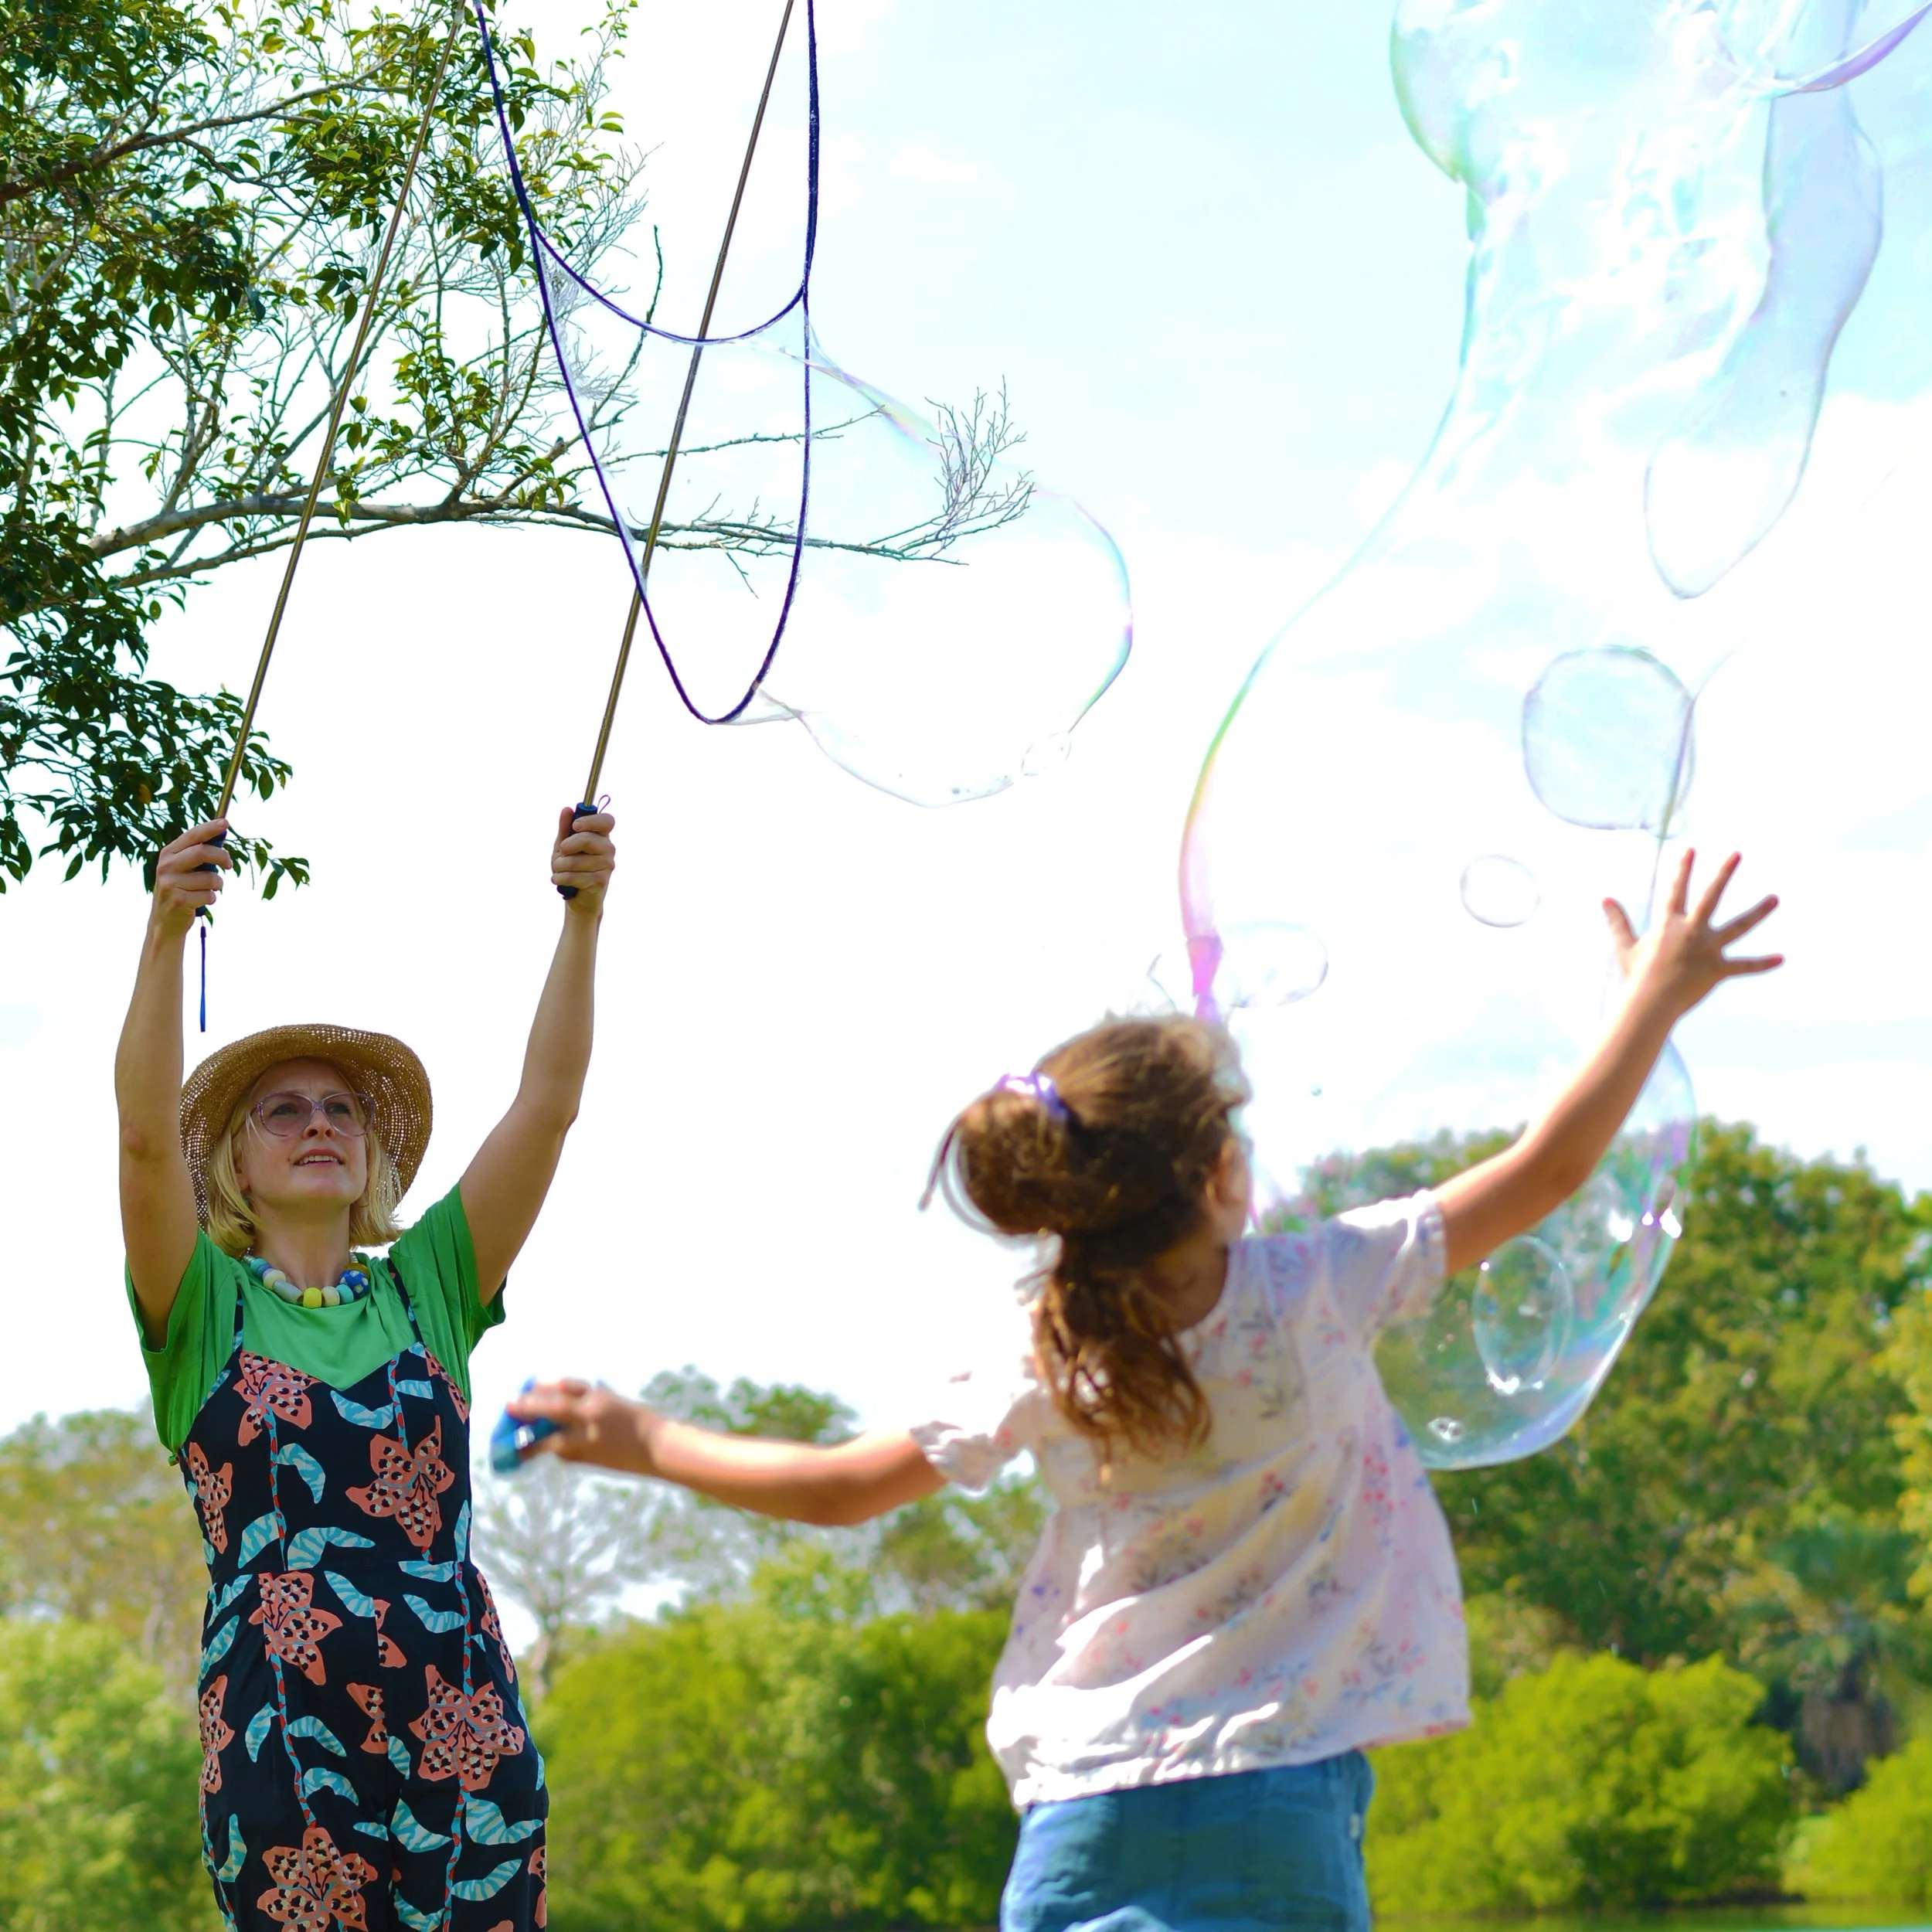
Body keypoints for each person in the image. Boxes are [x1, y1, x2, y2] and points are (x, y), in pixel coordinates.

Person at [510, 850, 1779, 1931]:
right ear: (1223, 1173)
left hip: (1087, 1803)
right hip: (1279, 1795)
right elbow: (1550, 1165)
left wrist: (639, 1435)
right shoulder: (1324, 1284)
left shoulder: (1042, 1348)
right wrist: (1650, 1004)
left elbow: (845, 1488)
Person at [117, 805, 617, 1932]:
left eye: (342, 1110)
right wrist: (164, 933)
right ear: (234, 1161)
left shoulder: (428, 1288)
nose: (319, 1125)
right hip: (283, 1719)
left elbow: (547, 1108)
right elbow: (144, 1137)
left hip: (459, 1699)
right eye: (282, 1111)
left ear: (372, 1153)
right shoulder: (202, 1308)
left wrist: (581, 917)